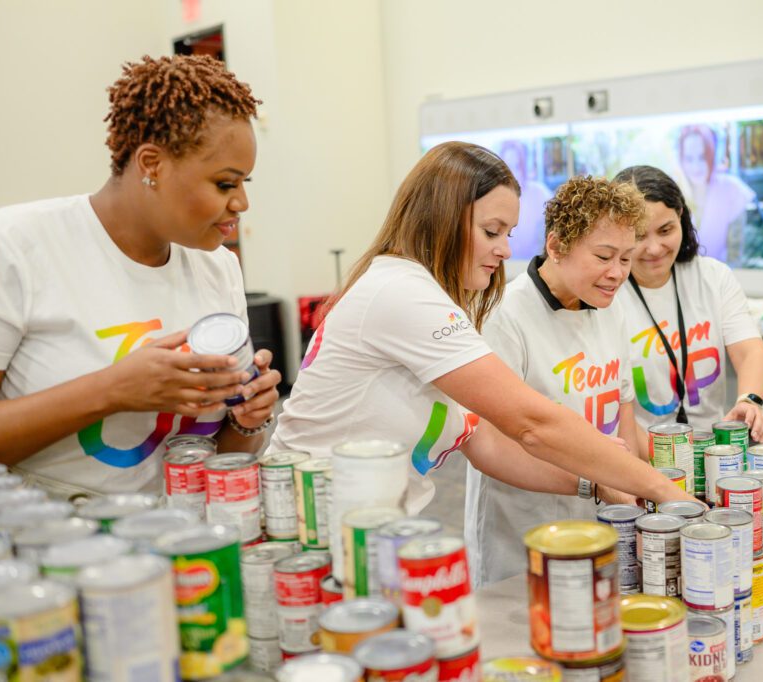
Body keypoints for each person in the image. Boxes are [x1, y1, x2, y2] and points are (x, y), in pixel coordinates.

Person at [270, 142, 693, 564]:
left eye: (507, 234)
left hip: (366, 535)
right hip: (316, 535)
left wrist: (596, 483)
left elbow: (483, 441)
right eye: (491, 232)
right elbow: (533, 424)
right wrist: (663, 492)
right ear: (441, 219)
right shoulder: (404, 293)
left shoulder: (426, 295)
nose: (506, 250)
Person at [0, 55, 281, 497]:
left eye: (245, 183)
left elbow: (216, 455)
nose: (242, 203)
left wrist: (245, 417)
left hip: (183, 538)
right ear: (152, 164)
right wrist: (113, 390)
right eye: (225, 184)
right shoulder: (10, 248)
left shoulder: (218, 269)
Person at [465, 175, 695, 586]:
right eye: (604, 256)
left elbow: (622, 411)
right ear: (556, 247)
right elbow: (492, 443)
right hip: (522, 527)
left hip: (602, 516)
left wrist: (638, 485)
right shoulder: (505, 316)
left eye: (626, 258)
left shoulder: (611, 306)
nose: (617, 273)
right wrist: (595, 482)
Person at [613, 166, 763, 447]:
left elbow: (749, 352)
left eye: (665, 230)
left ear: (681, 218)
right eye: (638, 236)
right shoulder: (606, 292)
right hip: (640, 459)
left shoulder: (713, 277)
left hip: (712, 453)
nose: (654, 248)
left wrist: (750, 400)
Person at [678, 125, 755, 263]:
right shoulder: (673, 193)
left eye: (702, 157)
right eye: (689, 159)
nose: (696, 167)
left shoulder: (731, 190)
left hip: (723, 279)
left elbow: (736, 255)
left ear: (712, 155)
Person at [498, 140, 551, 259]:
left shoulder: (540, 193)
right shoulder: (493, 198)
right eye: (508, 167)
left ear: (523, 166)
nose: (512, 173)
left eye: (516, 166)